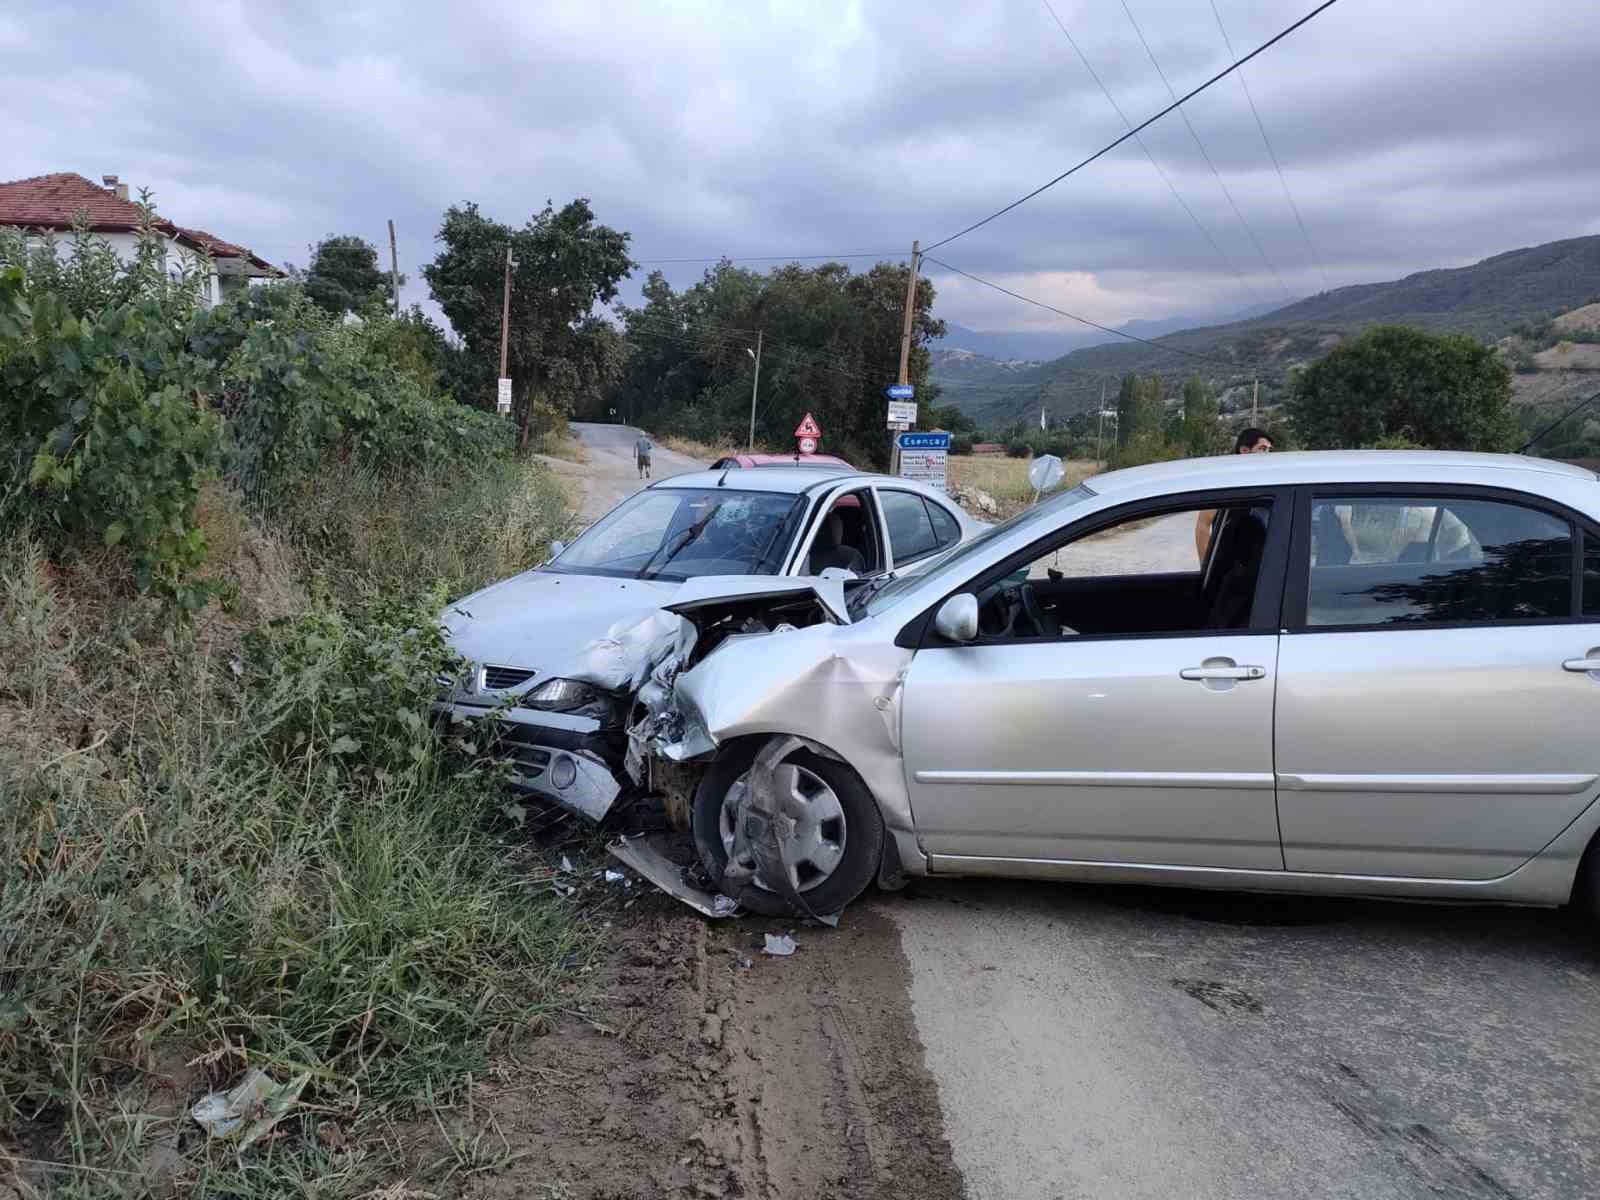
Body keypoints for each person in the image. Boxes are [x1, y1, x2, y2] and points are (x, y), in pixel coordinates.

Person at [1194, 428, 1273, 560]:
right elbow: (1203, 525)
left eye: (1269, 450)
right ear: (1244, 451)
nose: (1268, 454)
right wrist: (1207, 569)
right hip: (1230, 567)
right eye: (1263, 449)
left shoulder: (1268, 482)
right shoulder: (1225, 482)